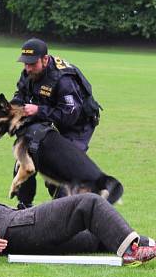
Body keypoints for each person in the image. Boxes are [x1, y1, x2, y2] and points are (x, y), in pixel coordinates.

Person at [0, 192, 156, 266]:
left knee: (93, 236)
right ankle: (133, 251)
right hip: (19, 228)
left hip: (20, 232)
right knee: (88, 203)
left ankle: (151, 245)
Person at [11, 37, 102, 207]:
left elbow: (69, 116)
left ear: (45, 59)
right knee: (25, 156)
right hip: (49, 119)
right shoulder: (29, 72)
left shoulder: (63, 79)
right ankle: (24, 208)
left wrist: (38, 110)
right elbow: (20, 94)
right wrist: (14, 108)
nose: (28, 68)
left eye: (32, 63)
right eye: (25, 63)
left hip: (77, 125)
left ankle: (64, 215)